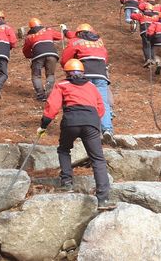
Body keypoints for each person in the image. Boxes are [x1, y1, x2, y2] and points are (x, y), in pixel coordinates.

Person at [38, 59, 115, 210]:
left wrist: (44, 125)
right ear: (82, 72)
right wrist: (93, 122)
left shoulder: (62, 85)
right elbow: (100, 108)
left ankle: (67, 183)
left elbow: (52, 106)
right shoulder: (92, 86)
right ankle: (103, 199)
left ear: (67, 73)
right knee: (98, 159)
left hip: (71, 121)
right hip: (91, 122)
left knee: (64, 149)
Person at [61, 23, 116, 145]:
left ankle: (86, 129)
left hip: (84, 74)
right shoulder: (99, 41)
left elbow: (65, 59)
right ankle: (107, 129)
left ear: (79, 32)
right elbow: (105, 57)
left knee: (84, 102)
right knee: (103, 102)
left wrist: (68, 67)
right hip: (101, 74)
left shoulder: (75, 41)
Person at [22, 18, 63, 101]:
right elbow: (60, 36)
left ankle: (41, 95)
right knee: (50, 74)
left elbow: (25, 51)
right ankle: (49, 88)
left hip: (38, 56)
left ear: (30, 28)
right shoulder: (48, 31)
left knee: (36, 76)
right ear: (40, 24)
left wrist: (30, 56)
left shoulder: (30, 37)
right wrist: (64, 29)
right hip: (52, 55)